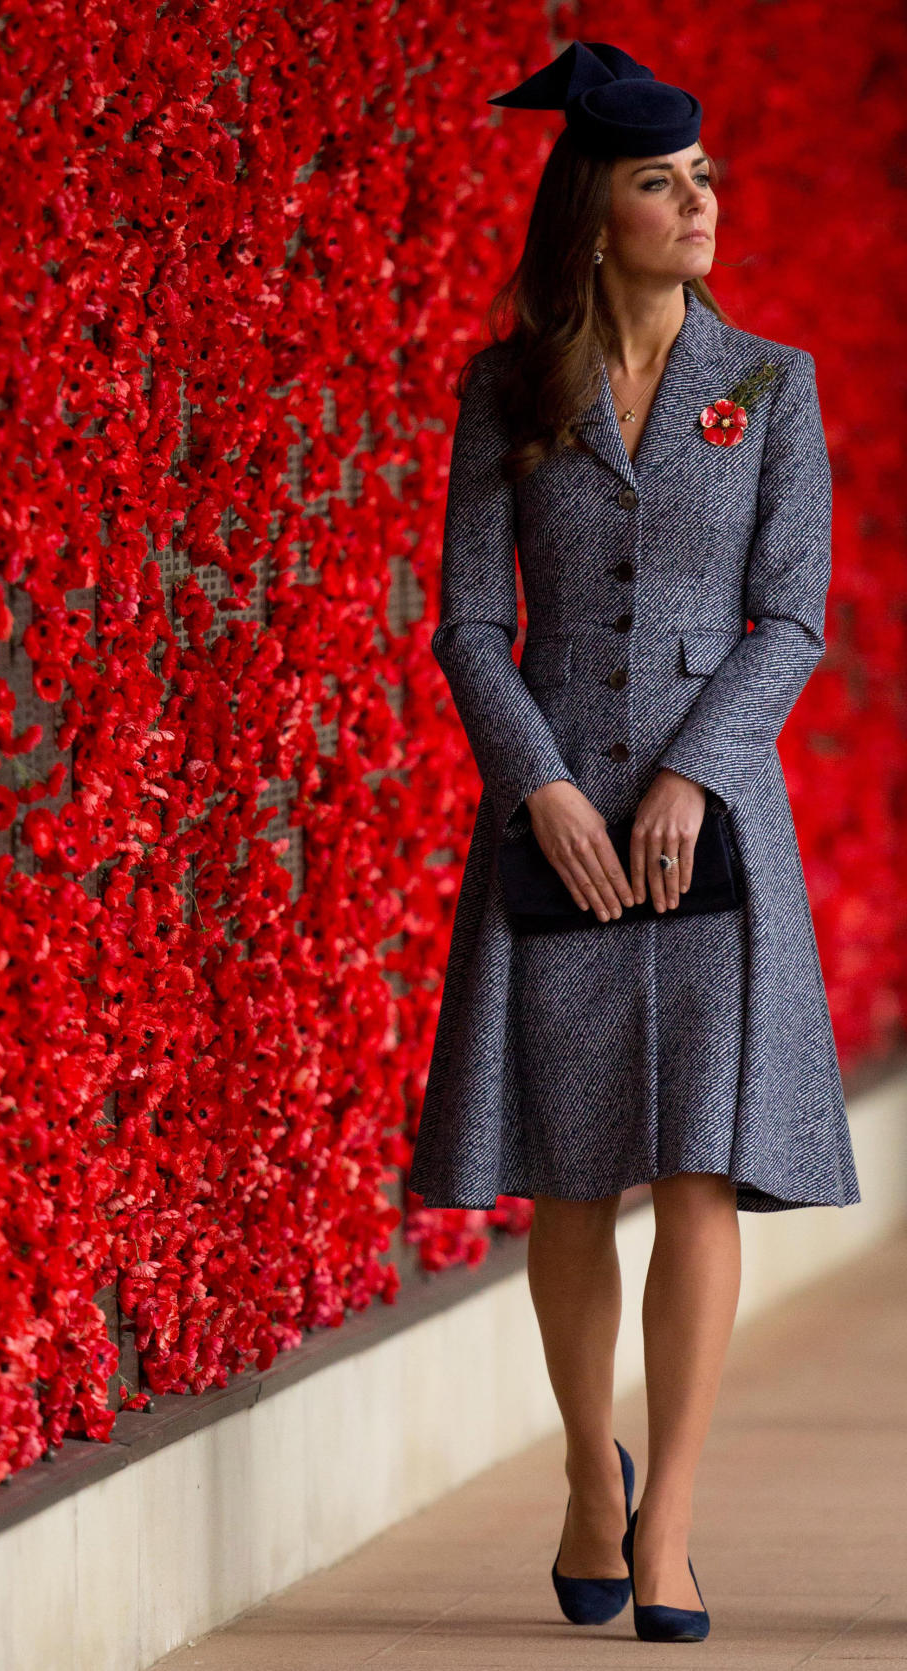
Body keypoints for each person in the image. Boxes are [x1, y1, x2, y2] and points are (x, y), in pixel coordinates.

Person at [407, 41, 861, 1643]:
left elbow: (791, 615)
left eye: (707, 179)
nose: (699, 204)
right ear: (593, 209)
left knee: (699, 1175)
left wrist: (698, 774)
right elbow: (469, 620)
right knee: (577, 1177)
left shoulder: (770, 385)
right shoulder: (507, 382)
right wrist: (535, 787)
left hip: (709, 828)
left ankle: (663, 1525)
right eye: (664, 183)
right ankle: (588, 1495)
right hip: (556, 821)